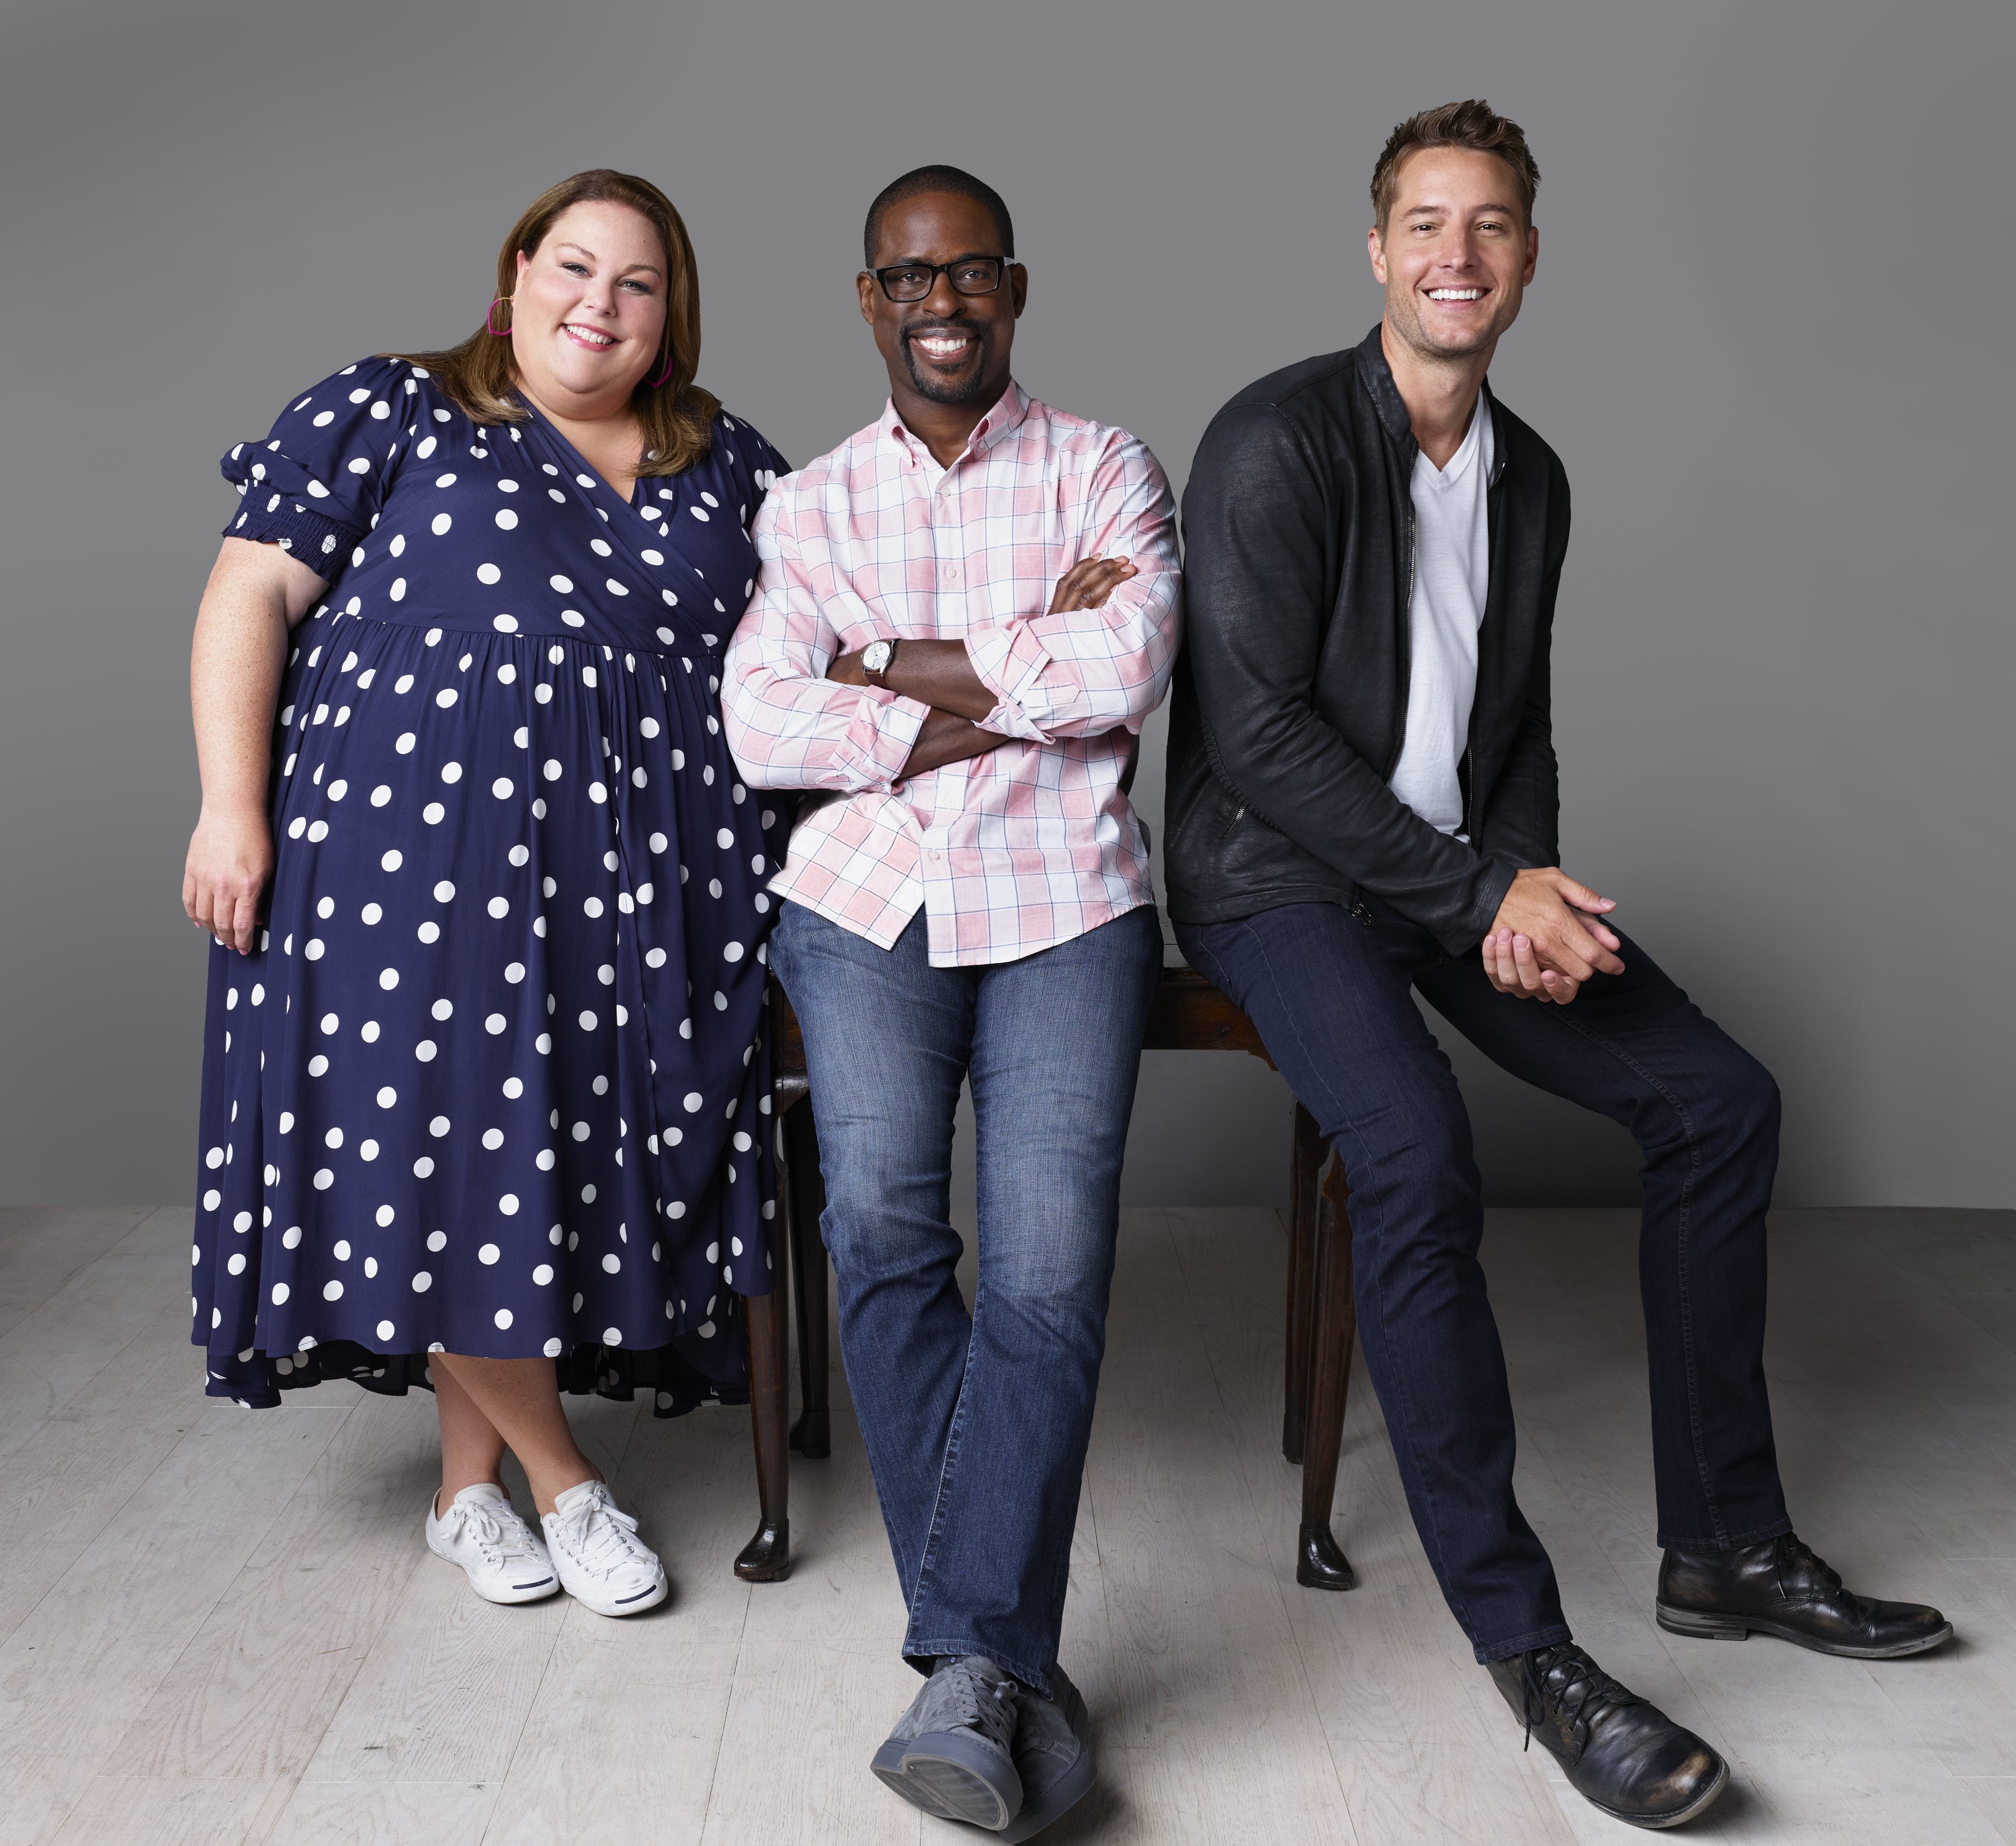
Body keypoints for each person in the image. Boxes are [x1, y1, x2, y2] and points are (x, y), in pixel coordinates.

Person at [1164, 101, 1951, 1830]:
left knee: (1720, 1103)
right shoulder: (1277, 443)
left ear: (1528, 259)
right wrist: (1475, 892)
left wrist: (1521, 878)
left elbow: (1514, 721)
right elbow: (1263, 737)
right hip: (1274, 885)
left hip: (1449, 874)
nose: (1459, 254)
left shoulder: (1537, 474)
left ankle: (1726, 1542)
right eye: (1427, 223)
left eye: (1493, 225)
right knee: (1420, 1157)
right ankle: (1529, 1651)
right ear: (1376, 252)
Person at [184, 169, 790, 1620]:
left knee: (517, 1171)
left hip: (643, 898)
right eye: (572, 268)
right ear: (514, 273)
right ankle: (570, 1483)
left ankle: (466, 1494)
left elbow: (831, 630)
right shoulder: (392, 408)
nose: (599, 304)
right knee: (426, 1158)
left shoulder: (733, 461)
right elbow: (247, 596)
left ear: (672, 314)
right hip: (396, 878)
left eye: (636, 284)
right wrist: (229, 806)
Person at [722, 165, 1179, 1841]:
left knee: (1048, 1274)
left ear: (1016, 288)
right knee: (886, 1239)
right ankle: (994, 1667)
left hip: (1065, 901)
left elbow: (1124, 670)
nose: (943, 304)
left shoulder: (1107, 465)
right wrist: (1007, 673)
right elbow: (764, 727)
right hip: (864, 907)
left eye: (972, 274)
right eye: (911, 280)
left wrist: (885, 668)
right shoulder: (812, 503)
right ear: (868, 299)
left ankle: (966, 1669)